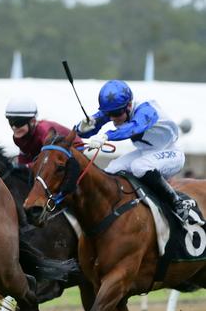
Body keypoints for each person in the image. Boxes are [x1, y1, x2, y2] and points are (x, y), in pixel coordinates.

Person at [75, 79, 195, 224]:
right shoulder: (116, 109)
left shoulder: (147, 109)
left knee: (139, 166)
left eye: (116, 113)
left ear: (129, 105)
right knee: (112, 168)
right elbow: (88, 130)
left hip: (172, 153)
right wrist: (80, 128)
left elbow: (133, 128)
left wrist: (106, 136)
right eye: (109, 114)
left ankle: (177, 203)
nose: (113, 118)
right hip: (147, 153)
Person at [4, 97, 79, 166]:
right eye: (11, 122)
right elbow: (24, 159)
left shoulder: (45, 132)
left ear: (32, 121)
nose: (14, 127)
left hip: (76, 150)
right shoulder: (19, 137)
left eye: (18, 123)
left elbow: (48, 162)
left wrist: (26, 167)